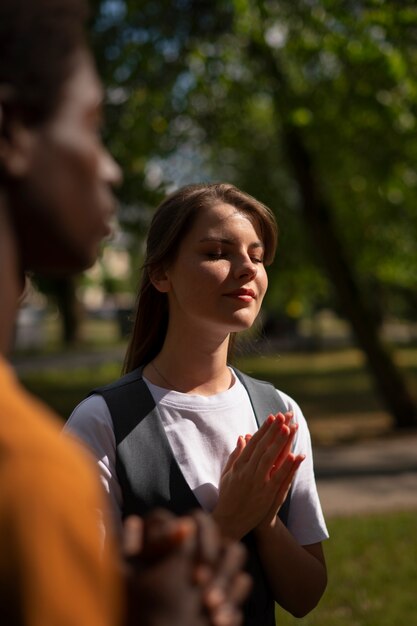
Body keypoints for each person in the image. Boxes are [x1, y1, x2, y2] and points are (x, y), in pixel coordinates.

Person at [0, 1, 249, 625]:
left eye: (256, 255)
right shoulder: (33, 473)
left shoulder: (276, 410)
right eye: (90, 124)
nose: (110, 166)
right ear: (10, 133)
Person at [66, 182, 329, 625]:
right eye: (216, 252)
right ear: (160, 274)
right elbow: (85, 603)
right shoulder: (100, 423)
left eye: (257, 255)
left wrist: (264, 522)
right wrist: (227, 522)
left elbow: (305, 597)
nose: (246, 268)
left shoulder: (280, 412)